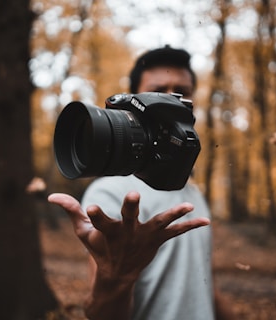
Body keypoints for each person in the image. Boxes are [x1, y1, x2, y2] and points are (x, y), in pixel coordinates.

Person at [49, 46, 217, 320]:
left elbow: (204, 286)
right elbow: (99, 313)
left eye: (182, 92)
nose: (172, 100)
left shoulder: (191, 190)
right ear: (136, 98)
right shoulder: (111, 193)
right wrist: (117, 278)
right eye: (160, 90)